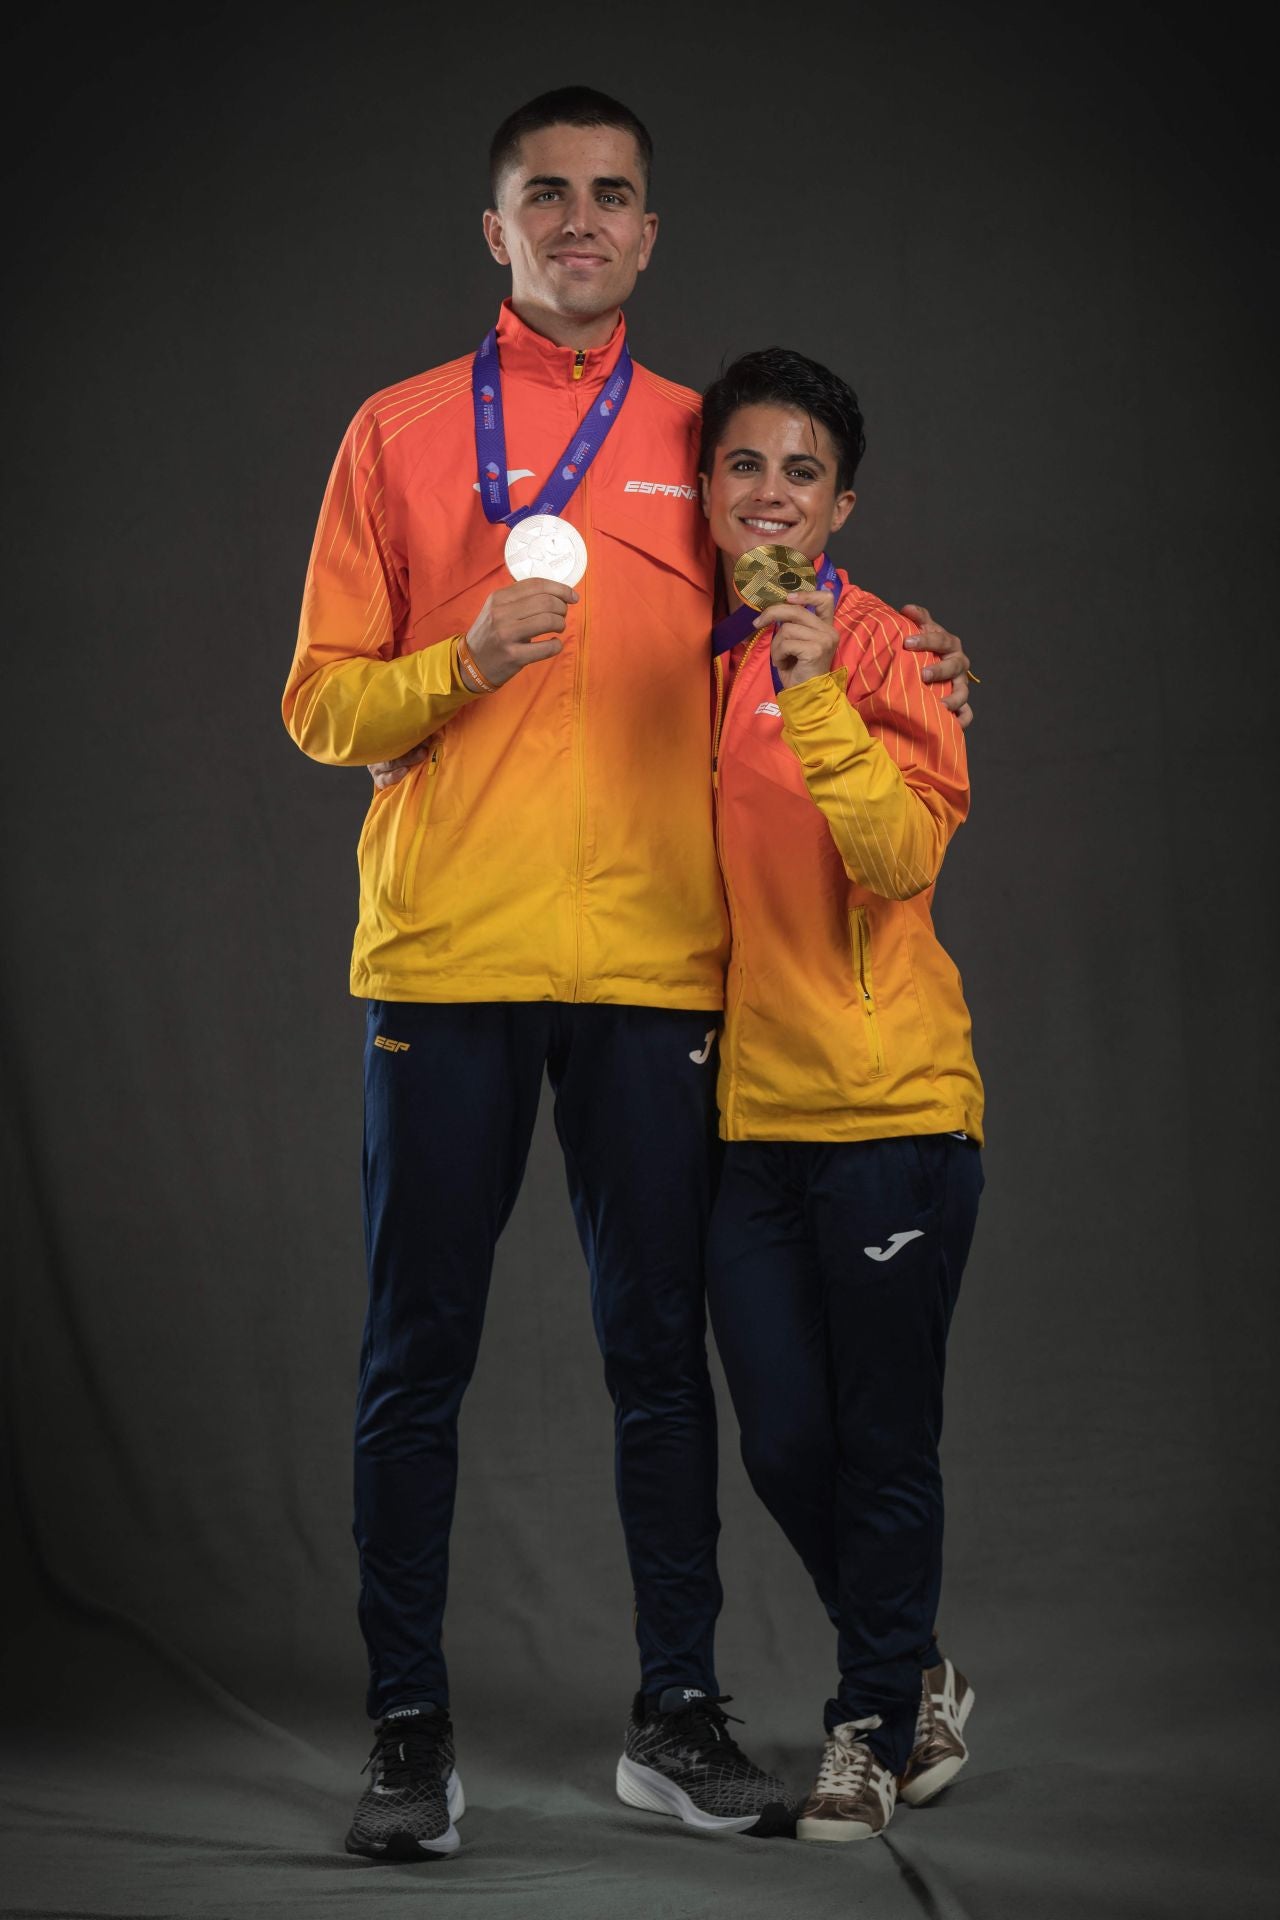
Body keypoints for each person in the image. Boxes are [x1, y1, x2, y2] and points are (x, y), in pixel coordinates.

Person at [282, 87, 972, 1860]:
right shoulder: (399, 434)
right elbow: (316, 703)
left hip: (663, 977)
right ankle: (408, 1737)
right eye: (546, 196)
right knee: (411, 1356)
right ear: (495, 229)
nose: (581, 220)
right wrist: (453, 664)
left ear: (649, 233)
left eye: (614, 197)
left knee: (660, 1357)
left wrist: (918, 655)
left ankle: (678, 1717)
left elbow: (815, 595)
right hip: (445, 959)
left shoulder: (706, 432)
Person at [698, 347, 984, 1844]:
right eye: (744, 465)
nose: (769, 494)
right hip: (755, 1126)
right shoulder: (702, 656)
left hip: (894, 1118)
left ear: (842, 503)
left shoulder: (887, 653)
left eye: (799, 470)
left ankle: (867, 1727)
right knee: (786, 1444)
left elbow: (896, 860)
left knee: (880, 1444)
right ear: (707, 490)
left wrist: (821, 688)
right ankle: (919, 1665)